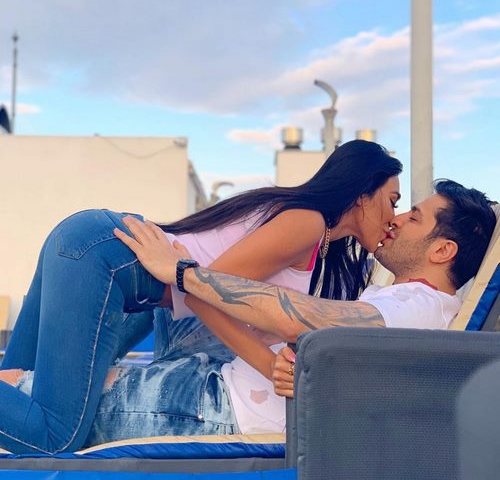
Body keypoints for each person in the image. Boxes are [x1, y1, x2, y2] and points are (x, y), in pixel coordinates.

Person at [0, 140, 402, 454]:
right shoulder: (307, 222)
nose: (394, 218)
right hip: (104, 259)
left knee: (16, 400)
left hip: (95, 249)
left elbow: (198, 296)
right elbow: (200, 293)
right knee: (56, 435)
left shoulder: (309, 232)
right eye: (393, 201)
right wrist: (271, 368)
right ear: (362, 193)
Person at [67, 178, 493, 443]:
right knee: (93, 364)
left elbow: (305, 318)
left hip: (216, 409)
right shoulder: (404, 303)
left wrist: (183, 273)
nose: (396, 219)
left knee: (63, 398)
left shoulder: (417, 307)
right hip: (221, 388)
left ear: (442, 250)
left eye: (414, 218)